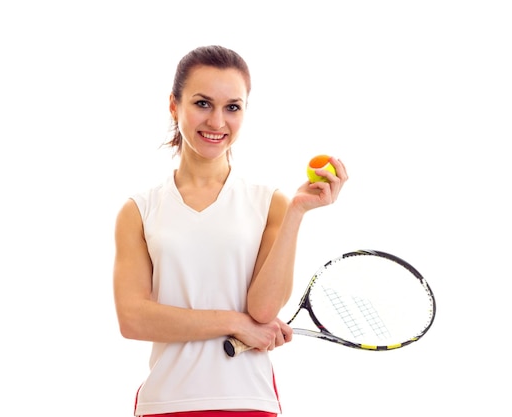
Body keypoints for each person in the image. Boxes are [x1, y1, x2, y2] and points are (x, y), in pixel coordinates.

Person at [113, 45, 348, 417]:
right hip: (166, 402)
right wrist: (234, 322)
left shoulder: (270, 203)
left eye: (232, 107)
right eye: (202, 103)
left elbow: (263, 308)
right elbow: (133, 318)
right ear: (174, 106)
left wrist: (298, 212)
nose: (217, 122)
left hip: (248, 401)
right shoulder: (139, 210)